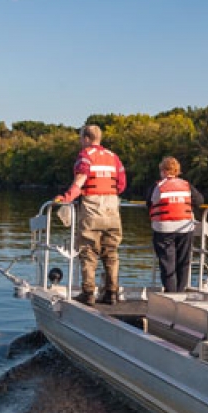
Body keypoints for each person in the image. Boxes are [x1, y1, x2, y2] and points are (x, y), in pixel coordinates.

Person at [55, 124, 127, 305]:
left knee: (88, 251)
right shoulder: (114, 157)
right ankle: (112, 293)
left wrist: (66, 198)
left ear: (86, 139)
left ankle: (88, 293)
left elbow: (80, 181)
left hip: (92, 208)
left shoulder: (85, 156)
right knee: (111, 252)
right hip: (112, 209)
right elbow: (121, 185)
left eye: (81, 138)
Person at [147, 156, 204, 292]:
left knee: (167, 263)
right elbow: (199, 200)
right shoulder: (186, 185)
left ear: (164, 171)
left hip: (164, 229)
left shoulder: (158, 186)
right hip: (185, 227)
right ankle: (180, 292)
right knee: (183, 262)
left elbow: (149, 202)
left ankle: (171, 293)